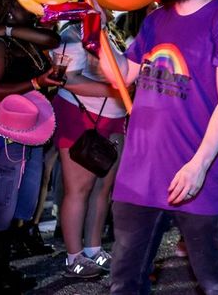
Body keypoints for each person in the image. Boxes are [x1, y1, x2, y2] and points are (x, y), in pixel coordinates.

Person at [97, 0, 218, 295]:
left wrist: (198, 165)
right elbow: (124, 74)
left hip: (197, 170)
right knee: (125, 279)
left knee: (214, 278)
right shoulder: (155, 21)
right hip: (139, 172)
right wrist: (98, 35)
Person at [0, 0, 63, 293]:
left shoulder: (20, 39)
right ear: (9, 11)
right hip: (1, 139)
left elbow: (53, 41)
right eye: (24, 6)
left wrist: (9, 29)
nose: (32, 9)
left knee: (12, 213)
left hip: (25, 138)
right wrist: (35, 83)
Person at [51, 21, 128, 278]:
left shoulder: (109, 29)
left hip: (113, 115)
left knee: (103, 188)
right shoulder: (71, 33)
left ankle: (94, 249)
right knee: (78, 189)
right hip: (81, 115)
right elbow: (65, 78)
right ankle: (74, 257)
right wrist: (116, 89)